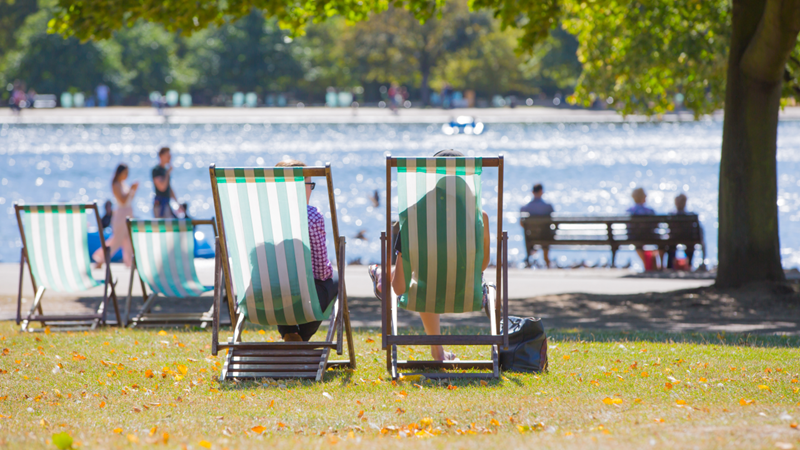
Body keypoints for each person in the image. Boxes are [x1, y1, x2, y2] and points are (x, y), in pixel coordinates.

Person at [368, 149, 491, 361]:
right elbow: (482, 264)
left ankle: (380, 276)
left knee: (425, 278)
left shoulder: (413, 215)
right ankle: (439, 352)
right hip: (467, 293)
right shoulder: (479, 217)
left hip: (424, 293)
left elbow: (398, 288)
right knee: (432, 275)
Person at [273, 159, 338, 342]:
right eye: (310, 184)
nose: (311, 189)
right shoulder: (311, 216)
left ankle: (289, 333)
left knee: (279, 283)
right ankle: (301, 337)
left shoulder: (259, 217)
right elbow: (320, 272)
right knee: (334, 279)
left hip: (262, 298)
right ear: (299, 187)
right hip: (302, 299)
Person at [93, 163, 138, 268]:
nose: (127, 175)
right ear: (120, 173)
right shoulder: (116, 184)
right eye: (125, 173)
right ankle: (100, 259)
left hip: (127, 215)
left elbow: (129, 200)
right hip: (121, 216)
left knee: (128, 240)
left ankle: (131, 262)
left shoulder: (123, 184)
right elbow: (122, 200)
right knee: (117, 241)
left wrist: (134, 189)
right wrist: (131, 188)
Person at [520, 183, 555, 268]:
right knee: (547, 233)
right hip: (546, 236)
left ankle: (530, 254)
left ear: (532, 192)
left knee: (529, 234)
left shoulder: (525, 207)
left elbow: (521, 224)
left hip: (532, 237)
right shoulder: (548, 206)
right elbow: (553, 222)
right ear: (541, 191)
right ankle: (546, 260)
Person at [626, 187, 661, 270]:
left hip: (634, 237)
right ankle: (659, 265)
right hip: (650, 237)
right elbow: (656, 225)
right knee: (661, 243)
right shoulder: (650, 211)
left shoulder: (630, 211)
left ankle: (646, 265)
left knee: (638, 245)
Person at [665, 193, 697, 269]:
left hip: (673, 239)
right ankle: (689, 264)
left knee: (671, 245)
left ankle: (670, 266)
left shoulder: (671, 215)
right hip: (688, 239)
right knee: (690, 245)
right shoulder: (690, 216)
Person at [151, 147, 183, 218]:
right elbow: (162, 187)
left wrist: (178, 203)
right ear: (161, 156)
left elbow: (169, 189)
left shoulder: (165, 170)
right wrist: (168, 173)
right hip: (160, 206)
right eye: (168, 156)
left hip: (167, 204)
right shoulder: (156, 170)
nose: (170, 158)